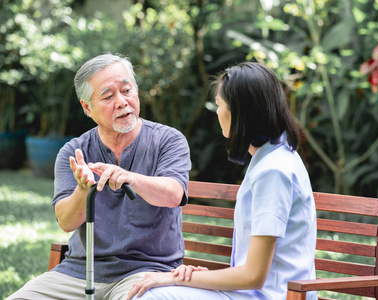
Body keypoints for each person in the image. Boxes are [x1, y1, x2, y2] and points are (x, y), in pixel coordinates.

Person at [6, 53, 191, 300]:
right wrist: (82, 190)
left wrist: (130, 178)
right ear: (87, 108)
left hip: (146, 272)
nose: (122, 102)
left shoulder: (168, 140)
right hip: (78, 272)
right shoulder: (73, 152)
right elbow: (66, 222)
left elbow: (173, 194)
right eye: (108, 96)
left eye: (127, 90)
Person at [126, 62, 317, 300]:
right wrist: (198, 278)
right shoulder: (275, 157)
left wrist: (174, 276)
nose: (217, 112)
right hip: (253, 293)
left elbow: (254, 276)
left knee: (151, 296)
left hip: (268, 296)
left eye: (219, 104)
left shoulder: (273, 171)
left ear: (240, 112)